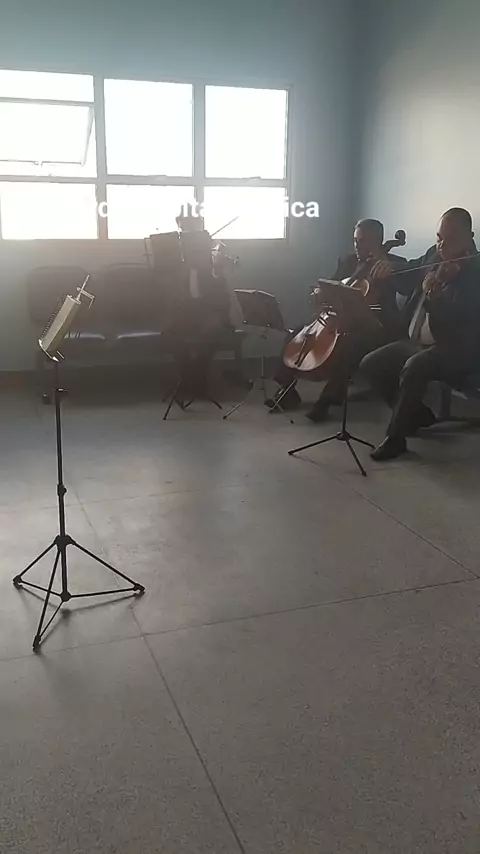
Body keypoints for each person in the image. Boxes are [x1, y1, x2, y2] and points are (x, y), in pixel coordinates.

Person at [361, 208, 480, 461]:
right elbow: (410, 272)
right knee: (370, 364)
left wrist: (435, 296)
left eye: (450, 239)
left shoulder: (475, 272)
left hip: (456, 347)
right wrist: (390, 268)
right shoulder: (433, 255)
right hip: (418, 342)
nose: (442, 245)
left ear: (469, 237)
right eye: (439, 237)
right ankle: (417, 415)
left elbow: (459, 317)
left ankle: (395, 438)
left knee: (415, 366)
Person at [265, 219, 407, 421]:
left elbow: (405, 288)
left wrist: (384, 262)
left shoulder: (394, 263)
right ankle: (287, 391)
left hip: (377, 324)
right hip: (342, 321)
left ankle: (327, 400)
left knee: (350, 345)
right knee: (296, 333)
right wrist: (319, 293)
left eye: (364, 241)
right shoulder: (349, 261)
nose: (358, 245)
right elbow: (331, 285)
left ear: (378, 241)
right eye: (356, 240)